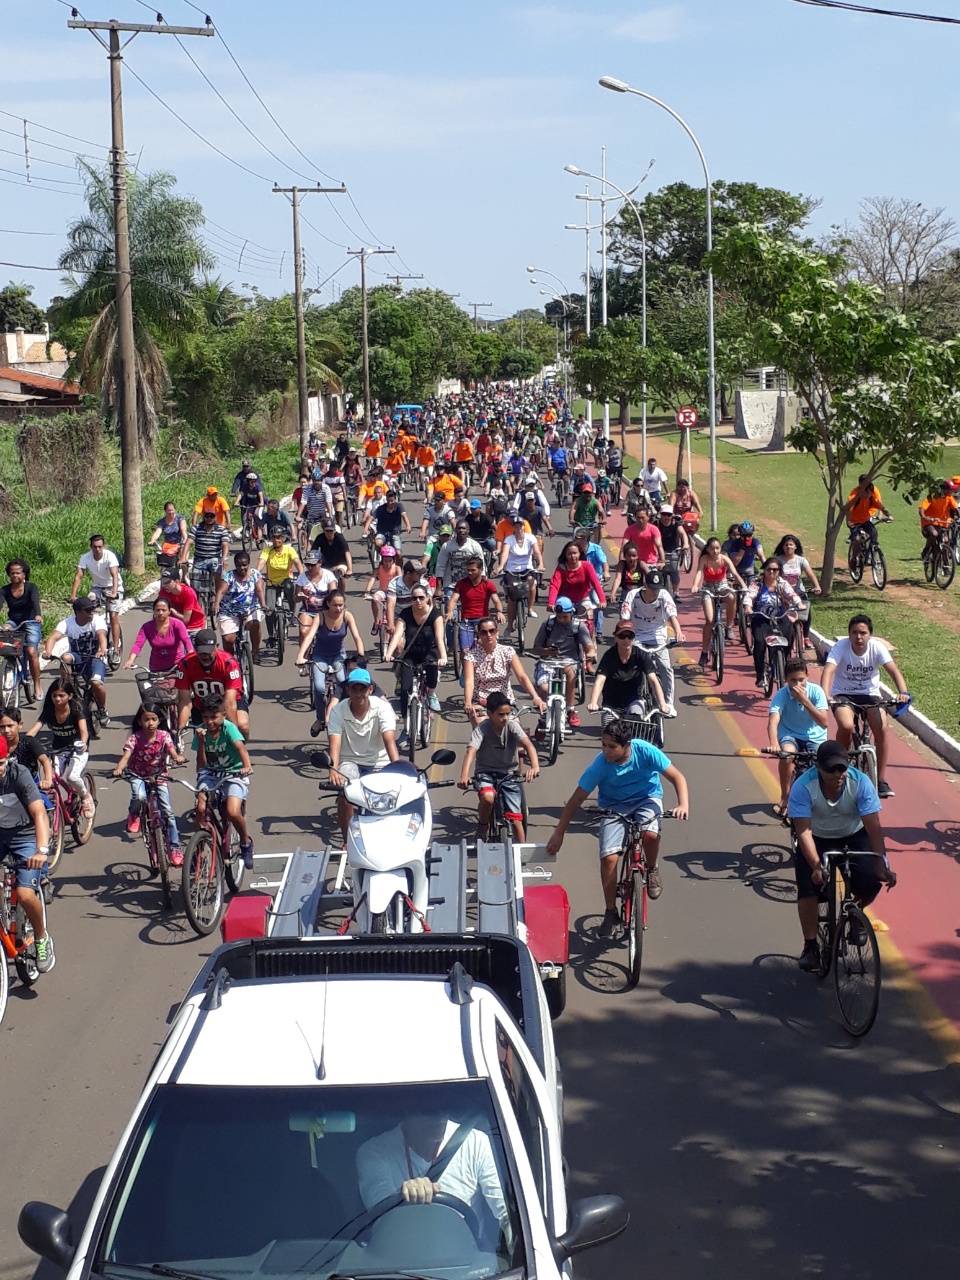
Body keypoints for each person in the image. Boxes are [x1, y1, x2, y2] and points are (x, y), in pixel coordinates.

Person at [546, 718, 689, 936]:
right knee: (609, 858)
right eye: (603, 745)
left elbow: (677, 777)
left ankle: (651, 869)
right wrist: (559, 833)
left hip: (647, 798)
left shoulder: (646, 752)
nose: (606, 751)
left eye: (611, 746)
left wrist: (683, 804)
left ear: (627, 745)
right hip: (613, 805)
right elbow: (576, 800)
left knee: (649, 835)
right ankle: (611, 911)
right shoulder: (600, 765)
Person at [788, 738, 895, 973]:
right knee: (808, 888)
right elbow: (803, 831)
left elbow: (873, 826)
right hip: (817, 838)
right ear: (819, 769)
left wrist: (880, 862)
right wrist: (816, 865)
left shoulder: (860, 782)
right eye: (831, 770)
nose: (838, 774)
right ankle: (810, 946)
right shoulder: (803, 786)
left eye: (842, 768)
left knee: (869, 882)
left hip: (853, 835)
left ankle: (854, 915)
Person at [356, 1108, 511, 1252]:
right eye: (427, 1107)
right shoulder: (374, 1152)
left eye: (444, 1105)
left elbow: (507, 1214)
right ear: (406, 1109)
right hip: (400, 1260)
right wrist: (404, 1198)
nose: (439, 1113)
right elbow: (379, 1214)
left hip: (467, 1263)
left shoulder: (476, 1143)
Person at [821, 614, 910, 798]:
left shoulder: (877, 648)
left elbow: (893, 670)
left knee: (882, 728)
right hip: (844, 693)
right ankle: (839, 766)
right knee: (846, 726)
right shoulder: (841, 647)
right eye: (854, 633)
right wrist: (825, 694)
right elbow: (829, 670)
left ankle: (881, 779)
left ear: (870, 635)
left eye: (863, 633)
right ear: (849, 635)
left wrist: (903, 692)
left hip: (870, 695)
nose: (858, 637)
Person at [0, 733, 54, 973]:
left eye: (0, 763)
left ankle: (42, 938)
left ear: (7, 760)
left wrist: (42, 850)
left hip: (24, 837)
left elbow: (40, 814)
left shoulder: (19, 774)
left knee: (23, 893)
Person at [327, 667, 400, 843]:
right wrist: (333, 769)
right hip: (349, 762)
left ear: (370, 690)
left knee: (392, 798)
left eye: (362, 689)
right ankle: (348, 840)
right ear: (347, 690)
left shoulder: (382, 708)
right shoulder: (338, 712)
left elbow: (389, 741)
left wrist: (398, 768)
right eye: (354, 688)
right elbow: (334, 745)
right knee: (345, 794)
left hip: (379, 762)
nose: (358, 693)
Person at [458, 691, 539, 843]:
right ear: (489, 713)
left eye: (508, 714)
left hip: (509, 773)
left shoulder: (512, 726)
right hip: (486, 772)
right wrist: (464, 775)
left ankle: (521, 859)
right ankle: (482, 826)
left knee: (516, 820)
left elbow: (529, 745)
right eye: (501, 714)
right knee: (488, 797)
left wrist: (534, 766)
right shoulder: (482, 729)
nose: (505, 718)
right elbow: (471, 752)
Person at [113, 700, 184, 862]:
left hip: (159, 776)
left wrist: (177, 758)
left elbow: (172, 752)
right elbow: (126, 757)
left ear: (159, 720)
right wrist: (119, 768)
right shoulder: (135, 738)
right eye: (146, 719)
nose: (150, 723)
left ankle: (174, 848)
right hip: (138, 774)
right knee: (139, 796)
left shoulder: (164, 736)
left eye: (154, 719)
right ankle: (134, 814)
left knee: (168, 814)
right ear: (140, 721)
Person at [194, 693, 255, 869]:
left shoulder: (229, 729)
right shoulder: (201, 731)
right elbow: (201, 764)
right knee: (200, 808)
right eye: (206, 717)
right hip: (211, 773)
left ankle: (245, 842)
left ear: (224, 715)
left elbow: (240, 748)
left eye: (214, 717)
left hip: (234, 774)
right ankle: (199, 849)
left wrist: (246, 766)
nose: (209, 721)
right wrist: (201, 742)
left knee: (233, 812)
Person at [296, 589, 364, 737]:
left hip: (338, 656)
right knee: (319, 688)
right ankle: (320, 719)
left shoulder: (347, 616)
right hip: (320, 656)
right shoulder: (320, 617)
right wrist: (301, 656)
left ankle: (345, 717)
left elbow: (357, 636)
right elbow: (309, 637)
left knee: (344, 684)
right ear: (328, 604)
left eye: (341, 605)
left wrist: (361, 655)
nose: (339, 608)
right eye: (335, 605)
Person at [768, 657, 830, 818]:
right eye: (793, 680)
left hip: (815, 737)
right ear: (786, 680)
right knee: (787, 755)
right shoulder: (781, 695)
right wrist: (774, 743)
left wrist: (805, 701)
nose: (797, 685)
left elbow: (824, 722)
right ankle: (785, 797)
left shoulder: (816, 692)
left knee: (822, 764)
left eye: (801, 680)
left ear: (807, 677)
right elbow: (773, 721)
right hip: (790, 735)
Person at [27, 676, 94, 817]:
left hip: (77, 750)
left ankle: (85, 796)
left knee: (72, 777)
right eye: (54, 695)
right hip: (58, 750)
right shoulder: (49, 712)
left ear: (70, 696)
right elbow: (33, 731)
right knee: (50, 778)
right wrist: (23, 742)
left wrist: (82, 744)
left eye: (61, 696)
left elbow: (84, 732)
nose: (57, 699)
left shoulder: (76, 711)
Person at [620, 569, 684, 715]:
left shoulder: (664, 595)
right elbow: (625, 617)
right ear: (645, 584)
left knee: (666, 667)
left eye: (657, 588)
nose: (655, 592)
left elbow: (672, 615)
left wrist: (678, 632)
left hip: (658, 636)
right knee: (629, 668)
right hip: (637, 636)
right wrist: (625, 636)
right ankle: (630, 701)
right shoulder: (633, 595)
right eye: (651, 588)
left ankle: (668, 703)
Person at [463, 618, 545, 728]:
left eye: (491, 631)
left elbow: (522, 677)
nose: (488, 635)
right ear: (479, 634)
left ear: (497, 631)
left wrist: (536, 697)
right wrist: (468, 702)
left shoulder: (507, 651)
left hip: (505, 702)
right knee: (481, 726)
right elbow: (469, 682)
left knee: (517, 730)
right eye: (484, 632)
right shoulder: (471, 656)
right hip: (482, 702)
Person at [385, 582, 447, 724]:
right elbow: (397, 634)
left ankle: (431, 695)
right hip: (412, 651)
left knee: (431, 669)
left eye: (420, 597)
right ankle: (407, 721)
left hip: (430, 650)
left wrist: (443, 657)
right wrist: (389, 653)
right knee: (405, 688)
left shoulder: (435, 615)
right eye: (414, 598)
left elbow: (439, 638)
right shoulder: (406, 613)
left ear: (427, 598)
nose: (417, 601)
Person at [532, 596, 596, 732]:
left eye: (565, 617)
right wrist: (547, 651)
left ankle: (570, 709)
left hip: (569, 661)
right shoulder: (548, 624)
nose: (561, 620)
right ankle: (544, 717)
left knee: (569, 670)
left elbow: (588, 644)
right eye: (559, 616)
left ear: (571, 613)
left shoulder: (578, 626)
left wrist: (590, 652)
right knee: (544, 688)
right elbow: (536, 647)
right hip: (548, 661)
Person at [588, 618, 670, 723]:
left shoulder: (641, 655)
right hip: (611, 704)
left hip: (634, 701)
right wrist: (593, 702)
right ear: (615, 637)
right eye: (622, 636)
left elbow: (653, 680)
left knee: (636, 724)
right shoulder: (609, 656)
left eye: (630, 636)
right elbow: (600, 681)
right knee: (608, 732)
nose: (626, 640)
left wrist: (662, 704)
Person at [42, 598, 109, 724]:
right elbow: (53, 637)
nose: (92, 613)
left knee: (96, 684)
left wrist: (102, 649)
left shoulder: (97, 621)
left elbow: (101, 636)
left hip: (95, 658)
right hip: (77, 657)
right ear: (77, 612)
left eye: (92, 609)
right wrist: (48, 652)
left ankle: (102, 709)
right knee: (65, 658)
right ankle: (68, 689)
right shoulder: (67, 623)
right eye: (88, 610)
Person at [175, 629, 249, 740]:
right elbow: (185, 702)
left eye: (208, 652)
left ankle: (240, 748)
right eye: (201, 652)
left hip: (227, 701)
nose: (205, 656)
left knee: (242, 725)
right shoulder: (185, 664)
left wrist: (234, 736)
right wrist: (179, 733)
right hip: (202, 705)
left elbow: (229, 702)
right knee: (203, 738)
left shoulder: (229, 663)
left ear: (216, 646)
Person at [744, 559, 802, 686]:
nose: (771, 572)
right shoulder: (757, 584)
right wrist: (748, 607)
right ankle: (760, 675)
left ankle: (784, 662)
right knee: (759, 643)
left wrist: (799, 603)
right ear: (764, 570)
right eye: (769, 569)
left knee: (789, 635)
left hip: (780, 616)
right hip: (761, 617)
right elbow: (749, 596)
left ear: (779, 571)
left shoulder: (782, 583)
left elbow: (791, 594)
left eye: (775, 570)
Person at [691, 537, 744, 665]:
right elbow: (698, 572)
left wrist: (743, 585)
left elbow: (735, 573)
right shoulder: (704, 559)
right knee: (709, 619)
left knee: (731, 597)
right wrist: (694, 585)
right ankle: (704, 651)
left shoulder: (724, 559)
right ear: (708, 549)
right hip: (708, 588)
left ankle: (729, 626)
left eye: (717, 548)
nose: (715, 551)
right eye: (712, 548)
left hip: (722, 586)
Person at [72, 534, 123, 664]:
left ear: (103, 546)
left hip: (113, 587)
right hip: (98, 587)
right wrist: (73, 595)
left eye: (100, 547)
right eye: (95, 547)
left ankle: (116, 650)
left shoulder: (109, 556)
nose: (97, 549)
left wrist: (114, 592)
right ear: (91, 547)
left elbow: (115, 575)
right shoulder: (86, 557)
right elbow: (79, 576)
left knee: (113, 616)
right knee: (89, 603)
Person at [1, 558, 43, 702]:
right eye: (12, 573)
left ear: (24, 574)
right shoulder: (5, 590)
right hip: (13, 621)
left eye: (18, 573)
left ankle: (37, 685)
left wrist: (38, 615)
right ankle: (10, 666)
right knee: (5, 632)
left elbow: (35, 602)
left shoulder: (31, 587)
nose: (15, 576)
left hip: (31, 621)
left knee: (31, 652)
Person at [446, 557, 505, 658]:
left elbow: (496, 601)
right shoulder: (461, 583)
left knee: (489, 650)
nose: (469, 573)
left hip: (483, 621)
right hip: (467, 621)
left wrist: (499, 611)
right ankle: (465, 673)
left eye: (473, 570)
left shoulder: (488, 585)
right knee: (465, 651)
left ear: (481, 570)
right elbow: (453, 600)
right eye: (468, 570)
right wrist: (450, 611)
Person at [214, 550, 266, 660]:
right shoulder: (229, 576)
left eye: (244, 565)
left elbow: (259, 590)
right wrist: (216, 603)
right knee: (229, 639)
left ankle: (255, 650)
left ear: (249, 564)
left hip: (250, 608)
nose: (242, 568)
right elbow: (221, 591)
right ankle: (230, 660)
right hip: (229, 611)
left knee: (255, 623)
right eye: (238, 565)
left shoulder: (255, 575)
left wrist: (263, 604)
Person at [495, 515, 544, 632]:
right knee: (512, 597)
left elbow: (537, 552)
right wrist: (501, 566)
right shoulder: (509, 540)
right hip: (512, 569)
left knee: (532, 581)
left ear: (524, 526)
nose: (519, 528)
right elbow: (505, 553)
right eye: (516, 526)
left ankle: (530, 609)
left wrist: (541, 564)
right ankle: (510, 625)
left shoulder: (530, 538)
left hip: (527, 568)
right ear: (514, 528)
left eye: (521, 526)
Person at [124, 598, 192, 676]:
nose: (160, 613)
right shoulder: (147, 627)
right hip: (156, 667)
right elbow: (138, 644)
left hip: (176, 665)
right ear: (154, 611)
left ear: (169, 611)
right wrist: (130, 660)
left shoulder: (177, 624)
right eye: (158, 610)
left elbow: (186, 641)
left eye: (164, 610)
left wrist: (191, 657)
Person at [258, 526, 303, 644]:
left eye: (278, 537)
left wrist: (302, 575)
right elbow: (262, 561)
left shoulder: (289, 550)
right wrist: (256, 573)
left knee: (290, 589)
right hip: (271, 582)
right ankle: (271, 636)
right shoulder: (268, 550)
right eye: (274, 538)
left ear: (283, 538)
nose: (276, 540)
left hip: (286, 580)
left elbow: (297, 562)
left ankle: (292, 614)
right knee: (269, 610)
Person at [546, 541, 606, 629]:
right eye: (569, 554)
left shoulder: (587, 566)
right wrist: (551, 602)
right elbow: (554, 585)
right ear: (565, 555)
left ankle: (591, 641)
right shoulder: (561, 568)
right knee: (562, 623)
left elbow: (596, 583)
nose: (572, 556)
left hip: (583, 599)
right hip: (565, 601)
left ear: (579, 553)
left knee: (588, 623)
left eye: (575, 553)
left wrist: (602, 600)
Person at [774, 534, 821, 642]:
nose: (788, 547)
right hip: (783, 594)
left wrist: (816, 586)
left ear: (796, 546)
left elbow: (810, 574)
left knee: (806, 612)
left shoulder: (801, 560)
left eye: (791, 545)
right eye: (786, 545)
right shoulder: (777, 560)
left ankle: (806, 636)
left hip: (799, 592)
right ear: (782, 547)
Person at [294, 551, 338, 647]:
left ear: (320, 563)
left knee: (330, 635)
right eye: (307, 564)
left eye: (313, 565)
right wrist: (300, 596)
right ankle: (304, 657)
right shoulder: (302, 577)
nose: (310, 568)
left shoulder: (328, 575)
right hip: (308, 610)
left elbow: (334, 595)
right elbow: (296, 599)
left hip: (325, 611)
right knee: (304, 631)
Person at [182, 508, 231, 588]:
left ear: (215, 517)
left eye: (211, 516)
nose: (209, 518)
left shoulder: (222, 529)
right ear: (203, 517)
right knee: (195, 582)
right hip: (199, 559)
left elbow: (225, 545)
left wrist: (224, 558)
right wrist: (183, 558)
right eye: (207, 516)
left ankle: (218, 593)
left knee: (218, 572)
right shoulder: (196, 528)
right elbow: (188, 542)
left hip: (215, 558)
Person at [364, 544, 401, 636]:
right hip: (383, 591)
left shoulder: (397, 568)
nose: (388, 563)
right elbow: (372, 580)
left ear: (393, 560)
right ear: (382, 560)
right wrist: (367, 591)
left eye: (390, 561)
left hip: (394, 592)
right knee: (374, 599)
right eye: (385, 561)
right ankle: (376, 622)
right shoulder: (378, 569)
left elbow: (400, 580)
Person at [845, 473, 891, 547]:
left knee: (874, 533)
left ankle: (874, 550)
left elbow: (881, 506)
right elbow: (848, 509)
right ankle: (853, 558)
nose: (869, 493)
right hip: (854, 521)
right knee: (857, 540)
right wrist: (849, 522)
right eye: (866, 490)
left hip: (865, 520)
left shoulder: (871, 495)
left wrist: (889, 515)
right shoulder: (855, 497)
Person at [656, 506, 690, 600]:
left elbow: (683, 534)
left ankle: (676, 592)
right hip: (658, 551)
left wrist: (686, 544)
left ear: (672, 515)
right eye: (664, 514)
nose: (666, 517)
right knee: (655, 571)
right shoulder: (656, 524)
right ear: (660, 515)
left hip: (673, 550)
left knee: (675, 571)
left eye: (669, 515)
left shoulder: (676, 524)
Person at [147, 501, 189, 576]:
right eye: (169, 510)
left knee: (183, 556)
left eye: (172, 510)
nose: (171, 512)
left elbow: (183, 530)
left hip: (180, 543)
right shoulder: (162, 522)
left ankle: (185, 576)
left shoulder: (180, 518)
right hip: (168, 545)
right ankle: (164, 576)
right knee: (163, 560)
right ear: (165, 511)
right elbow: (157, 532)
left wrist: (185, 539)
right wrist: (152, 540)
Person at [918, 480, 960, 553]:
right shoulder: (933, 497)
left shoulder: (949, 497)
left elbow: (956, 508)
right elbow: (922, 508)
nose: (953, 491)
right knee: (934, 534)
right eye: (951, 489)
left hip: (942, 523)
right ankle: (927, 549)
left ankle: (945, 563)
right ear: (945, 490)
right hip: (929, 522)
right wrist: (924, 516)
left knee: (946, 541)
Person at [370, 489, 411, 555]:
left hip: (395, 532)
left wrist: (408, 525)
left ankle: (399, 565)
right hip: (382, 532)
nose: (389, 503)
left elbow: (404, 515)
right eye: (388, 500)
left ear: (395, 499)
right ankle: (383, 555)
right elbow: (371, 518)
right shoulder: (381, 508)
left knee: (398, 553)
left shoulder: (399, 506)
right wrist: (366, 529)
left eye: (391, 501)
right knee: (377, 543)